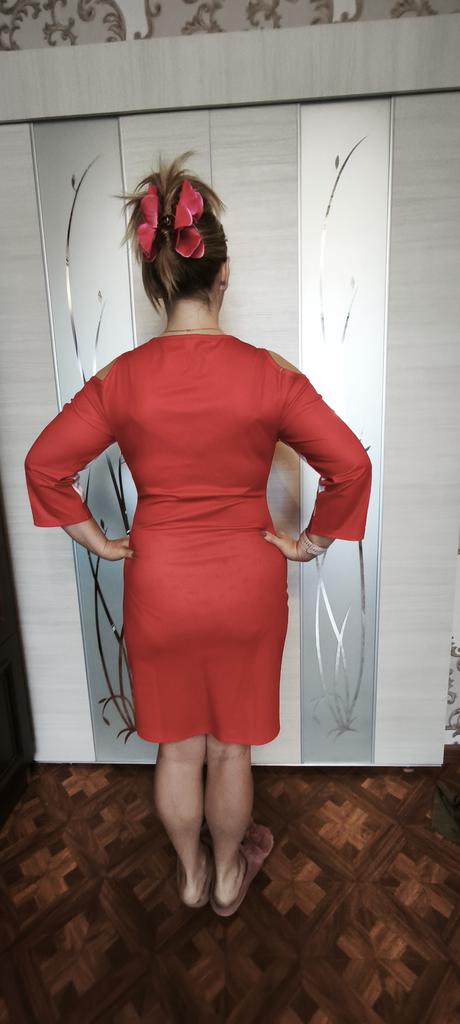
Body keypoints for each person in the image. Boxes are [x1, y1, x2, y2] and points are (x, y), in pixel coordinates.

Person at [24, 150, 372, 916]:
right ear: (223, 275)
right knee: (230, 748)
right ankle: (227, 879)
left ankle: (187, 875)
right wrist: (309, 542)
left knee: (178, 749)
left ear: (156, 284)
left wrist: (99, 541)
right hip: (247, 585)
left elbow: (44, 465)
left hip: (160, 586)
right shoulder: (269, 372)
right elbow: (349, 464)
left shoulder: (121, 379)